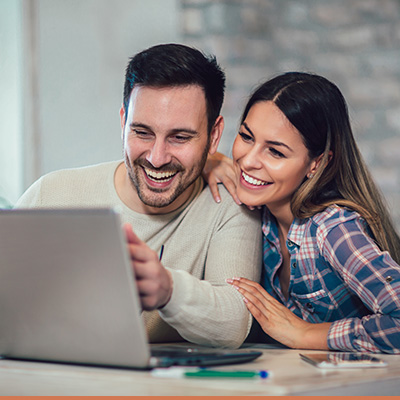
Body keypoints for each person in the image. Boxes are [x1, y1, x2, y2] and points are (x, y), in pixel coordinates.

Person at [15, 43, 262, 348]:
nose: (157, 158)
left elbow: (233, 323)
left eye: (179, 137)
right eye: (142, 133)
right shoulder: (51, 195)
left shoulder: (231, 205)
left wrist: (168, 290)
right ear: (123, 123)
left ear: (214, 136)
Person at [204, 71, 400, 353]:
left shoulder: (333, 229)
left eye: (275, 152)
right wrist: (208, 162)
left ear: (316, 164)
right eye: (246, 137)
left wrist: (305, 334)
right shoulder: (259, 210)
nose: (248, 161)